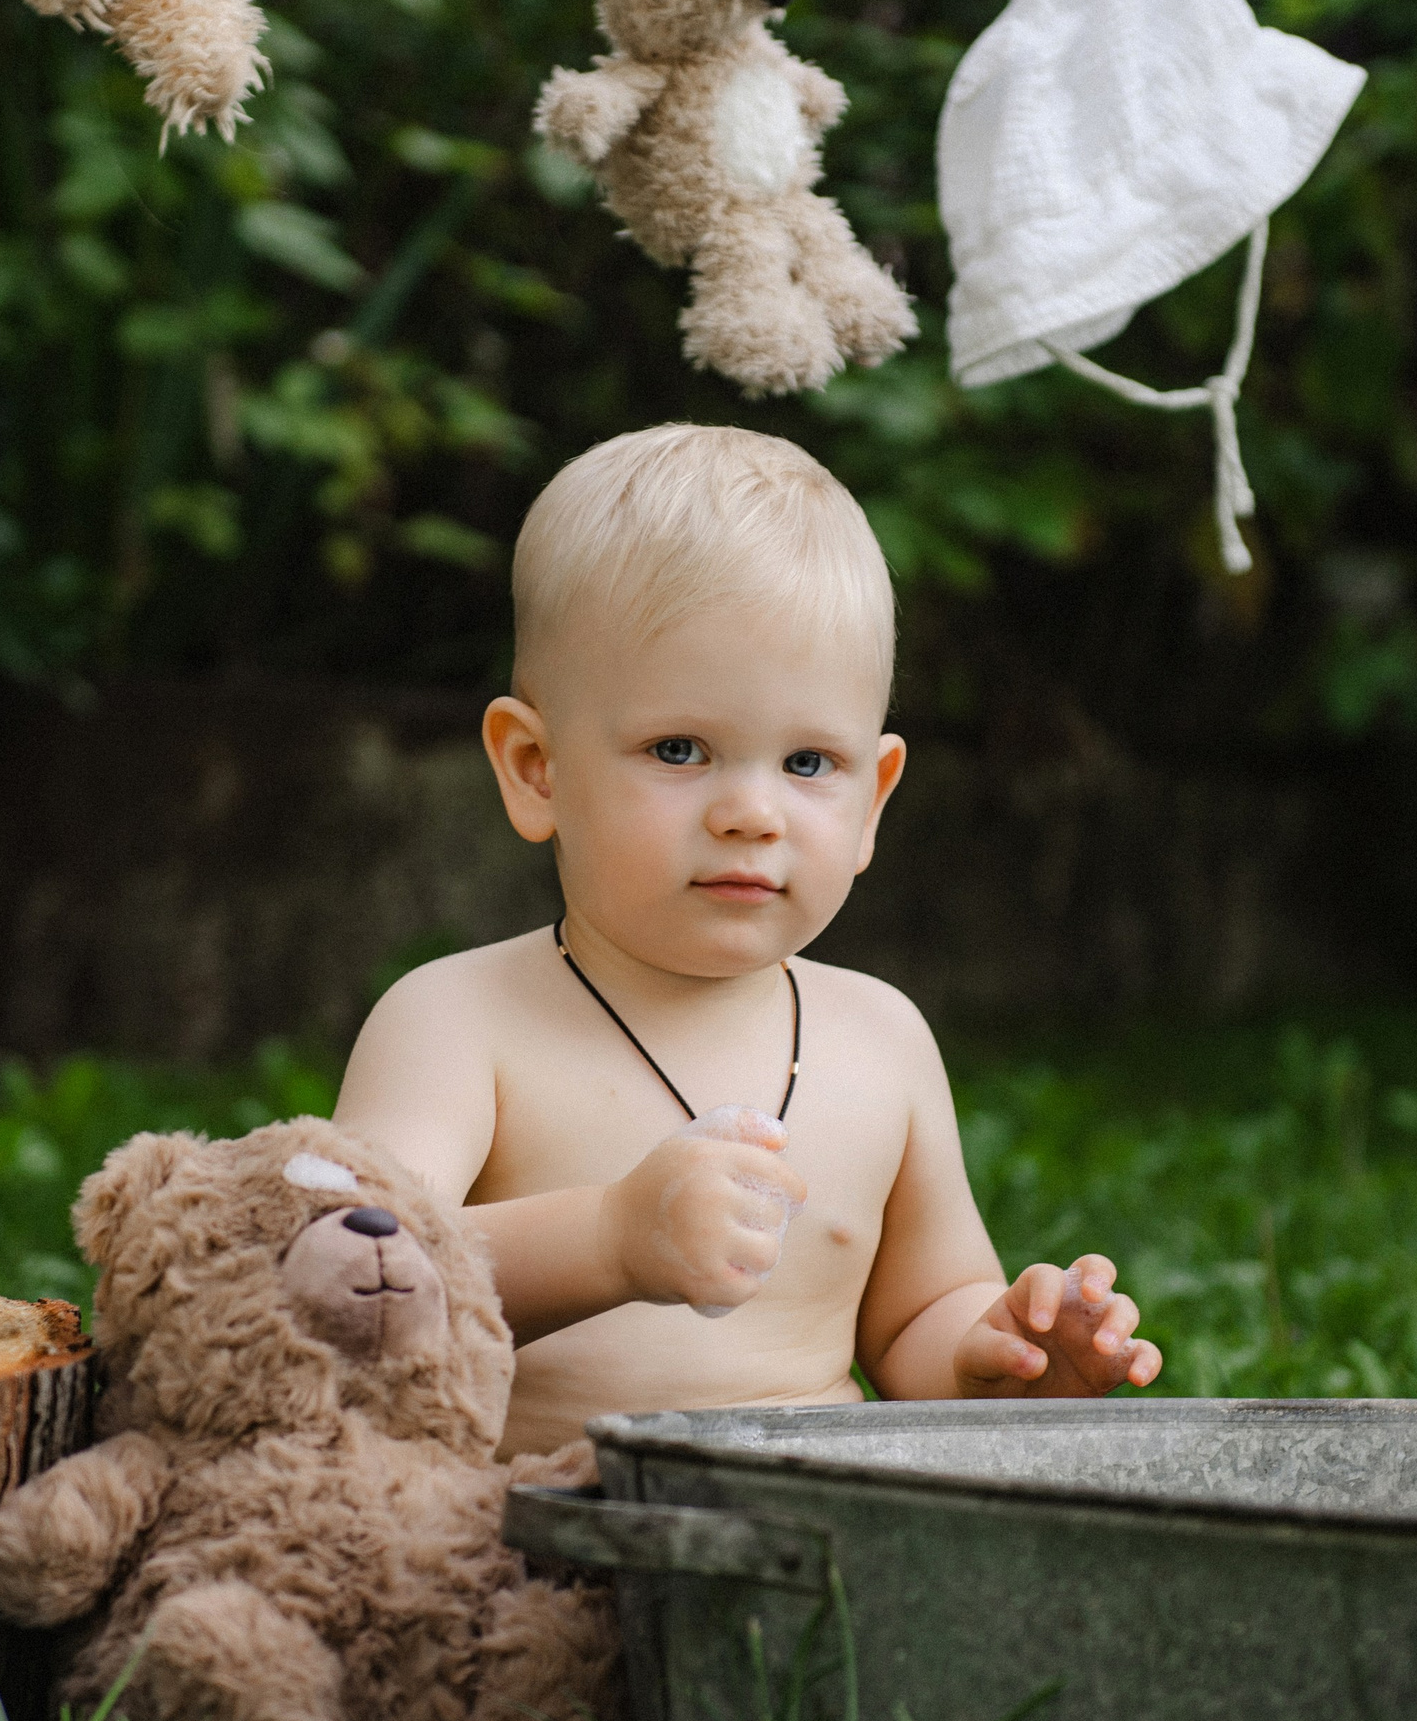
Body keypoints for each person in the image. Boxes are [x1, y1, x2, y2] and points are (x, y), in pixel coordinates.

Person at [337, 423, 1161, 1456]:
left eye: (809, 763)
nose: (751, 813)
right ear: (536, 768)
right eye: (679, 749)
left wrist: (999, 1356)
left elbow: (917, 1315)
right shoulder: (457, 1023)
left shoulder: (882, 1039)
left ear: (875, 797)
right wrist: (609, 1239)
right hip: (530, 1517)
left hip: (816, 1524)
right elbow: (351, 1280)